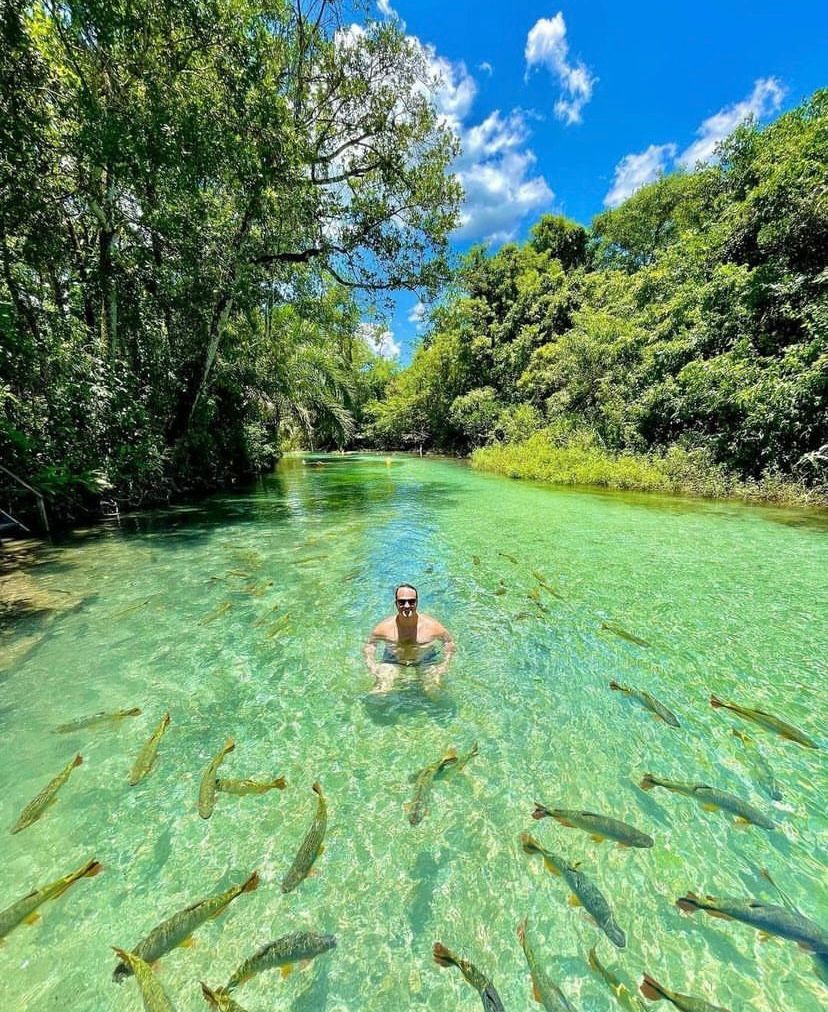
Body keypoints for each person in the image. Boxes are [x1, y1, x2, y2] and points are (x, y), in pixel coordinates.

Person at [363, 583, 455, 693]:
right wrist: (372, 665)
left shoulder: (432, 626)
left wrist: (444, 665)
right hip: (393, 659)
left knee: (434, 691)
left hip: (425, 659)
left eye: (411, 601)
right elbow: (371, 644)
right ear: (396, 603)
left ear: (417, 602)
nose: (407, 606)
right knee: (380, 692)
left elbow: (448, 642)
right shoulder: (384, 628)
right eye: (402, 602)